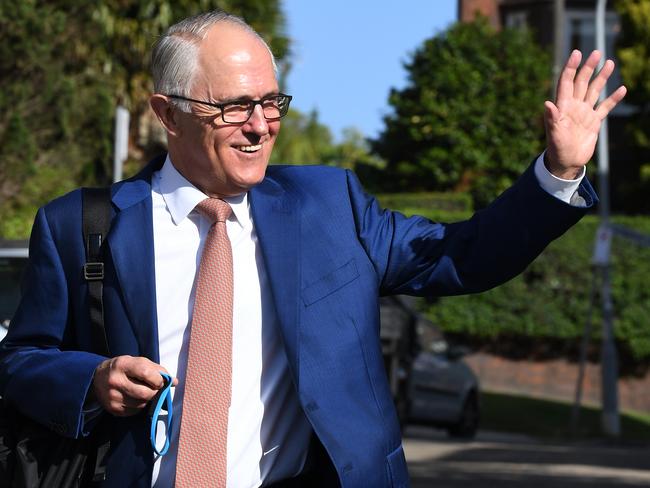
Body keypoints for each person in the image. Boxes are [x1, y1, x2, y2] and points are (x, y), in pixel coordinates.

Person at [0, 9, 626, 488]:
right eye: (235, 107)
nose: (260, 125)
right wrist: (92, 378)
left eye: (271, 103)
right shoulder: (82, 223)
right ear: (169, 113)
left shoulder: (331, 207)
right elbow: (20, 360)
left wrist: (556, 173)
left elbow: (462, 254)